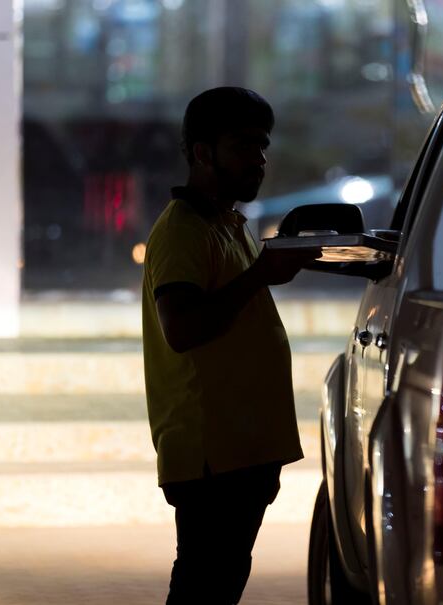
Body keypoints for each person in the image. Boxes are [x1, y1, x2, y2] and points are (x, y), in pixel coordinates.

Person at [141, 87, 321, 604]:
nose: (259, 160)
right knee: (204, 585)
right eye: (244, 146)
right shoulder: (184, 232)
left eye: (263, 146)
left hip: (242, 451)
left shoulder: (227, 224)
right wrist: (261, 274)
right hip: (211, 455)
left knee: (218, 582)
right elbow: (183, 328)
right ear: (202, 152)